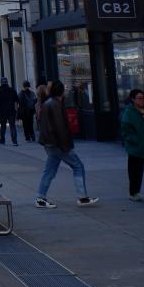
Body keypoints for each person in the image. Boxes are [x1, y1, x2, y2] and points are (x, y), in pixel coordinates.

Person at [36, 80, 98, 208]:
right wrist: (66, 146)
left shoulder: (48, 103)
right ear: (61, 91)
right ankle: (82, 196)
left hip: (50, 143)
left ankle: (40, 198)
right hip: (58, 144)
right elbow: (60, 128)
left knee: (49, 171)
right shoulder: (55, 104)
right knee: (78, 166)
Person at [0, 77, 19, 146]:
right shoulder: (12, 90)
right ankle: (14, 141)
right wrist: (16, 109)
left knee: (3, 126)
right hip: (11, 110)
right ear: (7, 82)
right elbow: (17, 100)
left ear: (1, 83)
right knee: (12, 126)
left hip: (3, 111)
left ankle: (2, 140)